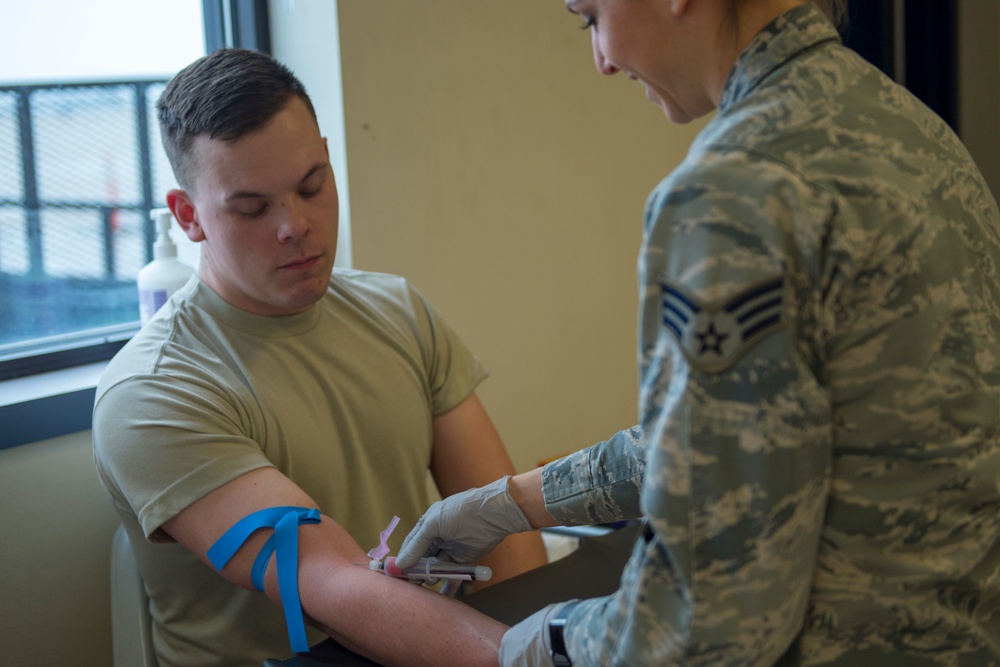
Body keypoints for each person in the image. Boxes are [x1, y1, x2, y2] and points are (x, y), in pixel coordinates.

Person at [396, 0, 1000, 665]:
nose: (601, 59)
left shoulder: (731, 189)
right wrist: (511, 502)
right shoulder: (916, 132)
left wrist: (549, 642)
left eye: (591, 15)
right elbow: (750, 440)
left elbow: (707, 623)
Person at [92, 47, 546, 667]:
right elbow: (331, 581)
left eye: (312, 186)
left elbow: (502, 531)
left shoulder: (398, 311)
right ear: (189, 216)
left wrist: (543, 633)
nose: (295, 225)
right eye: (252, 207)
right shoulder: (152, 393)